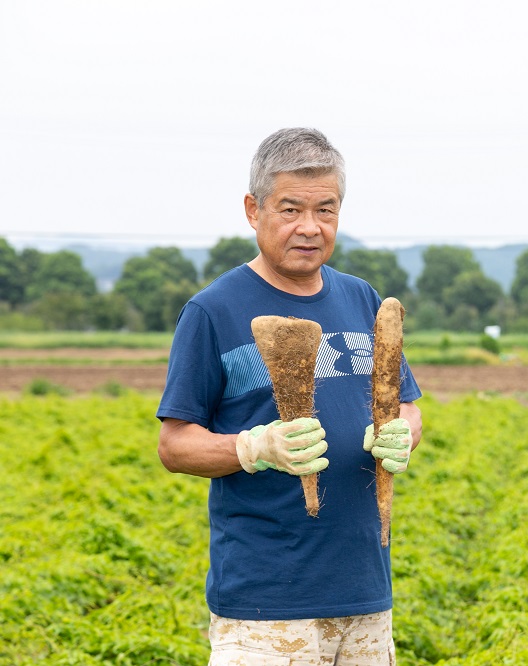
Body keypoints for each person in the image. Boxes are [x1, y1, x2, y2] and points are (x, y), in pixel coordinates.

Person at [157, 127, 422, 665]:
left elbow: (407, 404)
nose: (309, 227)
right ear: (254, 210)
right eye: (290, 209)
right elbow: (174, 444)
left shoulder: (360, 297)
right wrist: (253, 449)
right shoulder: (213, 311)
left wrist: (403, 433)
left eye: (326, 210)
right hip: (266, 607)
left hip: (366, 592)